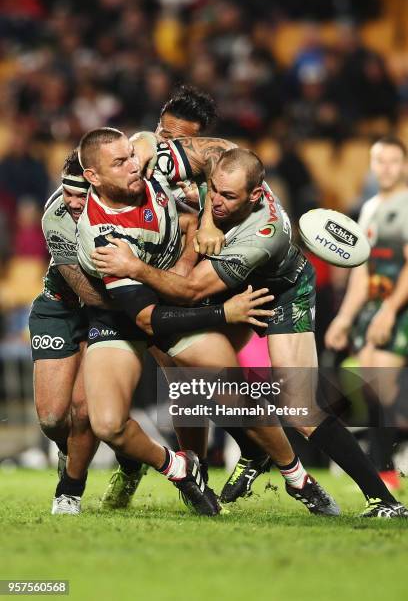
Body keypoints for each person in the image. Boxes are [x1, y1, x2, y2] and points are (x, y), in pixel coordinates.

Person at [93, 138, 408, 518]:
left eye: (228, 197)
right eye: (216, 194)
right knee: (194, 378)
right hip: (239, 290)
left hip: (282, 293)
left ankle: (384, 501)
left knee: (300, 408)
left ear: (256, 195)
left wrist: (135, 268)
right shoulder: (225, 169)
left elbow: (193, 290)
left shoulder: (263, 234)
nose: (218, 202)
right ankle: (250, 455)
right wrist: (208, 216)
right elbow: (145, 143)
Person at [76, 126, 278, 517]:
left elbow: (225, 155)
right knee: (107, 425)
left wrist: (205, 221)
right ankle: (179, 466)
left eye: (131, 154)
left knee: (229, 381)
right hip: (126, 317)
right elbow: (149, 321)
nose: (134, 166)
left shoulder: (150, 169)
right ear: (93, 178)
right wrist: (224, 312)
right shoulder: (102, 236)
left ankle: (288, 469)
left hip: (169, 297)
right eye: (120, 162)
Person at [325, 136, 408, 491]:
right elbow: (361, 269)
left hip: (398, 306)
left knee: (382, 379)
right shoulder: (370, 207)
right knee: (374, 385)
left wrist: (389, 311)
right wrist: (345, 317)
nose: (386, 168)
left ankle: (385, 468)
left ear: (404, 165)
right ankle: (388, 463)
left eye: (393, 161)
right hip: (374, 307)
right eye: (380, 161)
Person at [29, 150, 105, 515]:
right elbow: (86, 291)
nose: (72, 202)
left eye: (81, 194)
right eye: (67, 191)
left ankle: (70, 490)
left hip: (102, 318)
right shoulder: (55, 215)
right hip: (61, 305)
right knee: (52, 419)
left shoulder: (121, 210)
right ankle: (74, 450)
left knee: (85, 410)